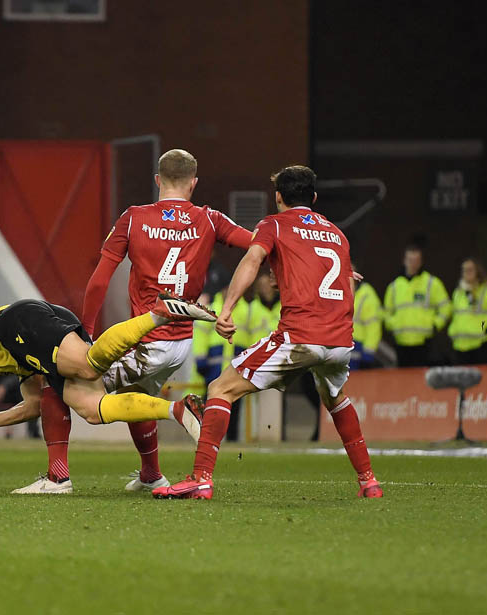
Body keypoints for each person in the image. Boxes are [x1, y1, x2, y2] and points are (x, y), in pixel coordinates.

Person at [14, 148, 253, 494]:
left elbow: (99, 280)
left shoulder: (133, 218)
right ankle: (151, 475)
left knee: (56, 380)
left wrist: (87, 332)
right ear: (193, 183)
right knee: (135, 395)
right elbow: (260, 245)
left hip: (147, 340)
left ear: (157, 180)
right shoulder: (210, 218)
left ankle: (57, 478)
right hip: (181, 343)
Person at [153, 165, 382, 500]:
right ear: (314, 197)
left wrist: (227, 309)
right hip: (339, 340)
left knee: (220, 388)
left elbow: (251, 261)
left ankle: (201, 479)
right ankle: (369, 481)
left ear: (278, 197)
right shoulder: (337, 234)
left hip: (300, 336)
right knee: (335, 398)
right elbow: (344, 285)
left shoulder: (273, 224)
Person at [0, 294, 216, 449]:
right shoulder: (16, 356)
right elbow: (34, 405)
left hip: (21, 320)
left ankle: (159, 313)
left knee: (87, 366)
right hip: (35, 329)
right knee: (92, 409)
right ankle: (178, 410)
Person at [383, 244, 450, 367]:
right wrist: (393, 325)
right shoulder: (394, 286)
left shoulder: (431, 283)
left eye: (416, 260)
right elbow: (386, 312)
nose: (413, 264)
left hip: (424, 341)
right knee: (403, 376)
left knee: (422, 375)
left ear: (421, 262)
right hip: (401, 341)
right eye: (410, 260)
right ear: (404, 261)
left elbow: (445, 307)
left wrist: (435, 325)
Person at [447, 257, 487, 365]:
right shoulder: (458, 292)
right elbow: (457, 316)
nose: (467, 273)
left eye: (470, 269)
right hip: (460, 347)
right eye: (464, 270)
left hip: (483, 345)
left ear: (478, 271)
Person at [351, 270, 382, 369]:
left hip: (358, 347)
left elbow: (373, 326)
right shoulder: (338, 290)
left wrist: (368, 351)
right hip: (340, 347)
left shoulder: (367, 295)